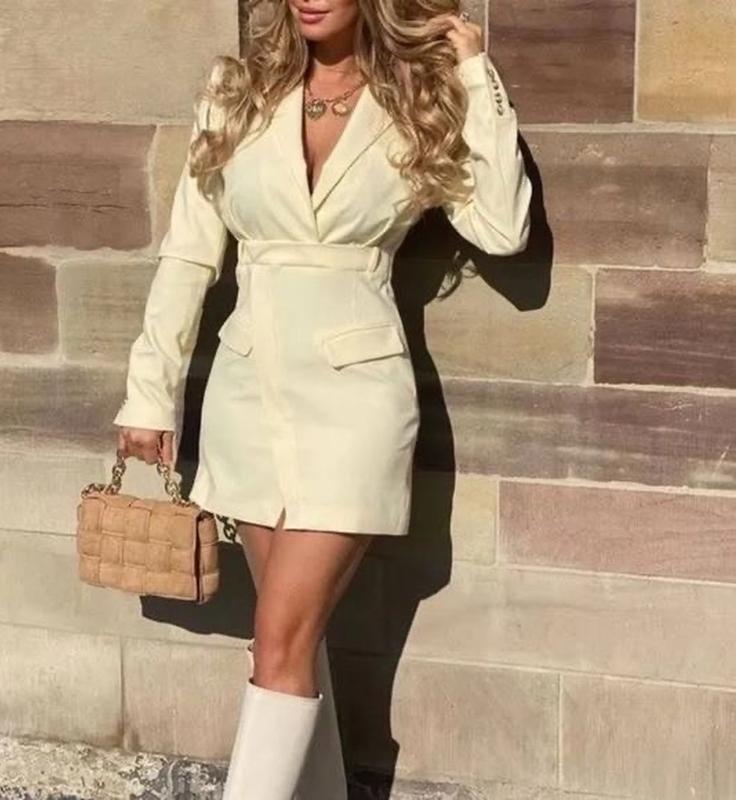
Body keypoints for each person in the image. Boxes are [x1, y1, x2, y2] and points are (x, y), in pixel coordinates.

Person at [113, 1, 532, 797]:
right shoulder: (236, 93)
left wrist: (477, 76)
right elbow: (188, 256)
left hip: (355, 403)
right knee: (291, 647)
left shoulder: (419, 100)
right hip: (250, 395)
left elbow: (504, 228)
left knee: (279, 639)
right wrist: (149, 394)